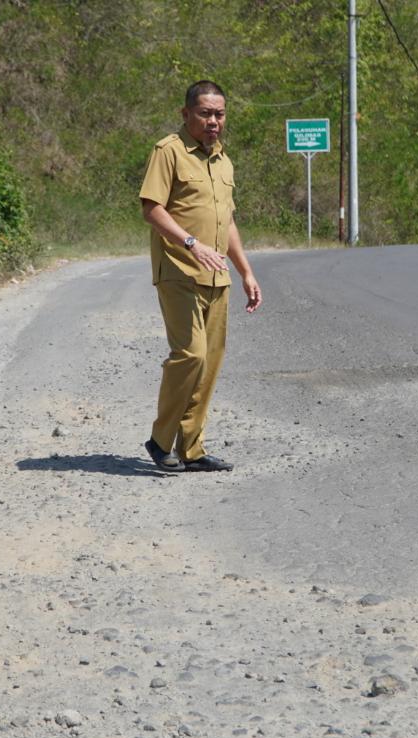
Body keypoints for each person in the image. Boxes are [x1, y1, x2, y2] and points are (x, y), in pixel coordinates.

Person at [138, 80, 262, 472]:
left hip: (218, 277)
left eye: (220, 114)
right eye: (206, 113)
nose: (213, 121)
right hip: (178, 271)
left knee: (210, 362)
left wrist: (246, 271)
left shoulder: (223, 161)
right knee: (189, 355)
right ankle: (161, 441)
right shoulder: (168, 152)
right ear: (186, 113)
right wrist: (191, 243)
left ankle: (191, 449)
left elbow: (227, 222)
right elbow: (152, 208)